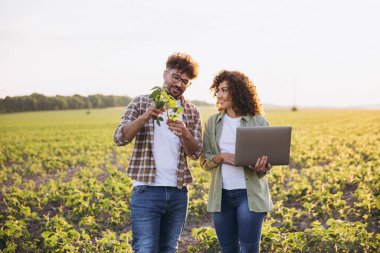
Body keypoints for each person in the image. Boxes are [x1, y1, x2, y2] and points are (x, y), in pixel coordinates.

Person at [113, 52, 202, 253]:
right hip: (147, 190)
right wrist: (145, 117)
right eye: (176, 77)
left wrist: (186, 134)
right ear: (165, 73)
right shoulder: (141, 102)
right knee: (145, 248)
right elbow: (120, 137)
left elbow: (196, 153)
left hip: (178, 192)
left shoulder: (192, 112)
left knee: (169, 248)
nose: (179, 84)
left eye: (185, 82)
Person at [200, 70, 273, 253]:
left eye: (224, 90)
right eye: (218, 90)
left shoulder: (259, 122)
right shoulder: (212, 123)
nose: (219, 95)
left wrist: (261, 167)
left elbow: (265, 167)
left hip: (249, 196)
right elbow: (204, 161)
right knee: (228, 249)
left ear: (238, 92)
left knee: (248, 249)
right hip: (221, 197)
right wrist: (221, 157)